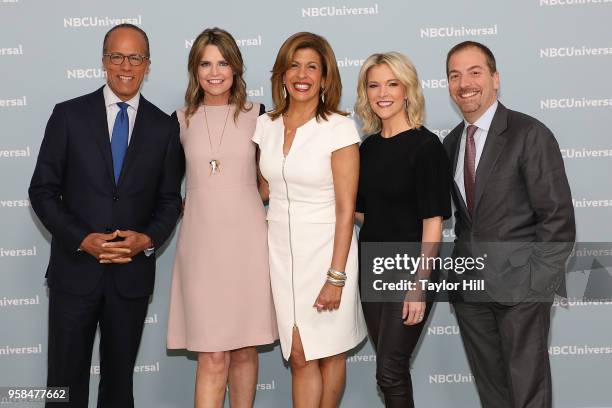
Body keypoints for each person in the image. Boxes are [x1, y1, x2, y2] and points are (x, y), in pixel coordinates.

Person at [28, 24, 184, 407]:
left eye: (135, 57)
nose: (125, 66)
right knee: (63, 386)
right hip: (74, 272)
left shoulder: (165, 128)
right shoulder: (68, 116)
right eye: (116, 56)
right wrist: (82, 238)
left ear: (148, 64)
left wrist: (145, 240)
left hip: (129, 280)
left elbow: (169, 201)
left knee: (118, 387)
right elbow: (42, 191)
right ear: (103, 61)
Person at [442, 41, 575, 408]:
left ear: (495, 79)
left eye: (474, 72)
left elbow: (557, 218)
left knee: (528, 394)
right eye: (455, 75)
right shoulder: (452, 143)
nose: (464, 83)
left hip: (522, 292)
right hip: (471, 293)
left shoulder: (528, 133)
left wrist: (536, 287)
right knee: (493, 395)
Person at [252, 32, 367, 407]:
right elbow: (261, 192)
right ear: (282, 74)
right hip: (281, 254)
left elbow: (346, 209)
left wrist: (336, 277)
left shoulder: (338, 127)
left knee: (329, 352)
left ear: (325, 76)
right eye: (294, 65)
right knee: (299, 355)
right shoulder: (265, 125)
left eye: (312, 67)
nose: (302, 74)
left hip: (327, 252)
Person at [166, 27, 278, 408]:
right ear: (194, 70)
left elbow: (268, 184)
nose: (215, 72)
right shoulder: (178, 120)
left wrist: (237, 200)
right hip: (201, 249)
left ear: (236, 67)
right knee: (212, 355)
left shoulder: (259, 116)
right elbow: (165, 188)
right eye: (205, 63)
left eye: (223, 63)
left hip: (248, 246)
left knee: (245, 349)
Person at [354, 52, 451, 407]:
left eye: (392, 84)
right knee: (390, 368)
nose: (383, 93)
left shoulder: (426, 147)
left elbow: (433, 223)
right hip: (373, 266)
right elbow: (365, 213)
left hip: (411, 267)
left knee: (390, 371)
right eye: (374, 84)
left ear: (408, 90)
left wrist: (420, 284)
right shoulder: (368, 148)